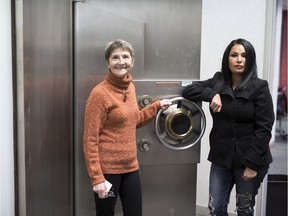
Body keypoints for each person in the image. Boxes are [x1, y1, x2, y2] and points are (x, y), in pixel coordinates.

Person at [182, 38, 275, 216]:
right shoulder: (218, 81)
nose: (239, 60)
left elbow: (264, 129)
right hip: (221, 158)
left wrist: (252, 165)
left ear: (250, 60)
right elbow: (187, 89)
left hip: (250, 159)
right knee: (215, 208)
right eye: (234, 55)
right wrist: (211, 93)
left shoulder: (259, 87)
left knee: (244, 209)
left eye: (244, 56)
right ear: (227, 59)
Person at [83, 39, 172, 216]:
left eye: (125, 56)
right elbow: (90, 139)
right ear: (108, 62)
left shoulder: (130, 87)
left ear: (132, 61)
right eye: (115, 57)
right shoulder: (99, 94)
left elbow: (133, 121)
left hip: (131, 166)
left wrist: (156, 106)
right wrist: (97, 177)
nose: (120, 61)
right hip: (107, 171)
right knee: (105, 213)